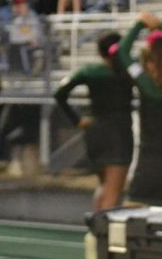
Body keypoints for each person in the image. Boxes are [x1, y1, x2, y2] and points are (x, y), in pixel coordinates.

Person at [116, 9, 162, 206]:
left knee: (130, 223)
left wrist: (141, 23)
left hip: (148, 167)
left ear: (153, 63)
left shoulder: (147, 85)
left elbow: (121, 51)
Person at [55, 33, 134, 212]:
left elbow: (60, 93)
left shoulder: (90, 71)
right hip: (118, 134)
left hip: (95, 130)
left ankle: (95, 230)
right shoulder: (126, 74)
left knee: (103, 185)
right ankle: (103, 235)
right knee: (113, 191)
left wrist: (77, 119)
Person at [7, 0, 43, 73]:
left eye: (25, 7)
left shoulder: (34, 19)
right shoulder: (17, 21)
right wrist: (27, 39)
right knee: (13, 48)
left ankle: (27, 71)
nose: (24, 9)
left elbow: (36, 34)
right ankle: (14, 70)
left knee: (24, 49)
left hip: (34, 44)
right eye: (22, 7)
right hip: (22, 44)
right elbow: (13, 37)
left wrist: (28, 39)